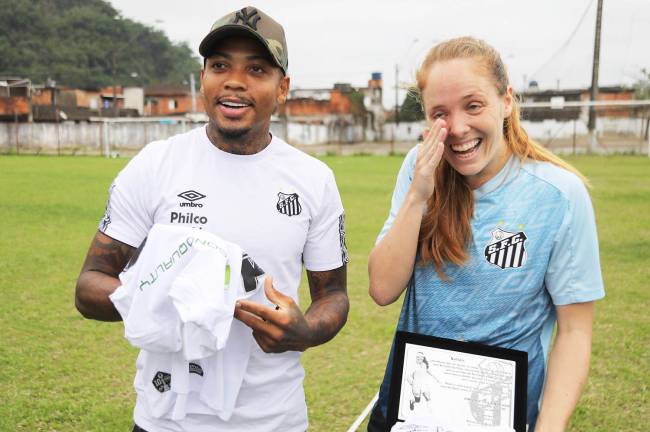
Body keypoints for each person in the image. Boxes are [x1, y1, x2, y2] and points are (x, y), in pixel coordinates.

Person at [75, 6, 349, 432]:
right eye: (219, 65)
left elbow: (334, 297)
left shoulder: (313, 180)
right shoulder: (156, 165)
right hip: (167, 419)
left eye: (257, 69)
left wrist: (306, 330)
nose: (234, 81)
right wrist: (166, 299)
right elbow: (89, 287)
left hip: (273, 420)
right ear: (202, 78)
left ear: (283, 88)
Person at [367, 36, 604, 432]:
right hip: (410, 412)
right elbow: (382, 289)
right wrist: (418, 195)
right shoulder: (419, 167)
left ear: (506, 101)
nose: (458, 128)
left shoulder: (559, 195)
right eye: (439, 114)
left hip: (499, 419)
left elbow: (576, 330)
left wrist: (549, 426)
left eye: (473, 106)